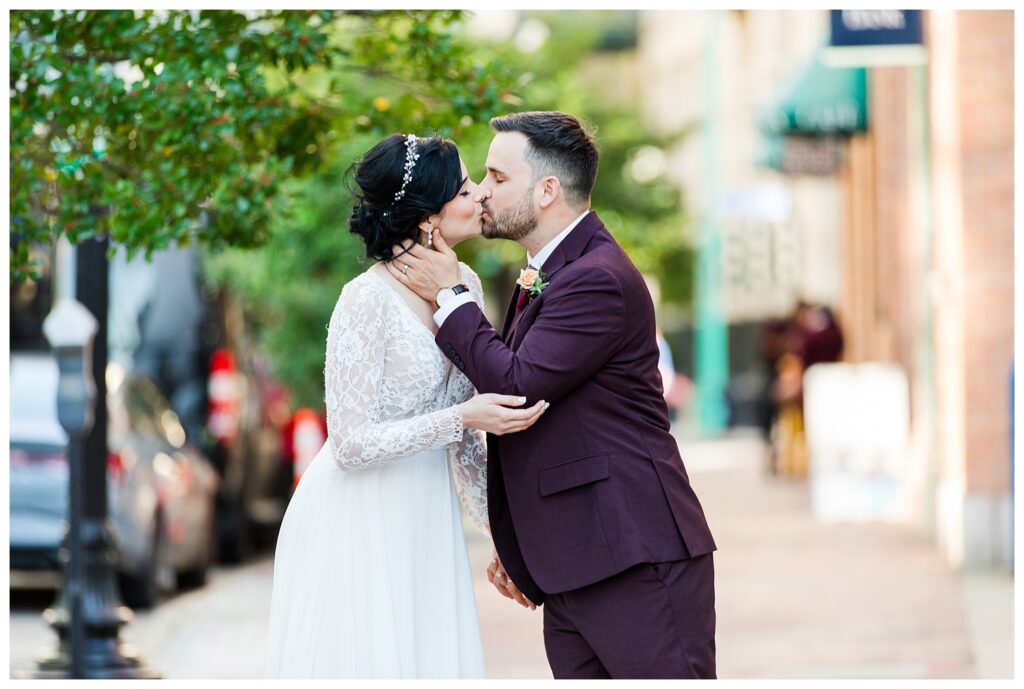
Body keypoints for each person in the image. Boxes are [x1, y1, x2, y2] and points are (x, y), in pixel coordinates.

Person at [388, 111, 718, 679]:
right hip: (577, 562)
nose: (481, 193)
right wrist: (519, 546)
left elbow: (516, 388)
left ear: (547, 190)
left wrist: (449, 296)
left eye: (496, 177)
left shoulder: (596, 277)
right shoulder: (552, 271)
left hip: (633, 558)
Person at [264, 134, 547, 678]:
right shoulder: (364, 299)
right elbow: (349, 445)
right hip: (355, 516)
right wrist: (462, 417)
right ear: (428, 219)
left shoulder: (463, 285)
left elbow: (465, 442)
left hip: (426, 514)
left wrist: (503, 540)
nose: (480, 197)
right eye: (464, 190)